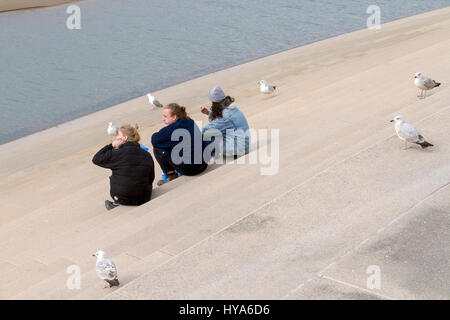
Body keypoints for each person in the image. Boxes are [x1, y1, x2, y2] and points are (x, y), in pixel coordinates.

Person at [92, 124, 155, 211]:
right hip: (143, 198)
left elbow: (96, 159)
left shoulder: (118, 153)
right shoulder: (147, 154)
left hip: (123, 198)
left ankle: (117, 201)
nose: (116, 138)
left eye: (118, 135)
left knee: (115, 175)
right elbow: (151, 178)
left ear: (124, 138)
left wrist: (111, 145)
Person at [151, 103, 208, 186]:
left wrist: (165, 130)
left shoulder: (173, 128)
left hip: (192, 170)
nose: (163, 119)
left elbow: (154, 140)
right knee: (172, 143)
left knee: (157, 148)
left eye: (165, 116)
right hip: (204, 164)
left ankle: (171, 176)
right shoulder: (190, 121)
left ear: (174, 117)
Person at [200, 86, 250, 158]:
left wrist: (192, 132)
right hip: (245, 143)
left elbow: (209, 128)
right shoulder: (231, 107)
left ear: (215, 102)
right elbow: (218, 123)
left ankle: (206, 157)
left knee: (208, 136)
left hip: (238, 149)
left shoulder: (225, 116)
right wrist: (208, 112)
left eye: (211, 101)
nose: (211, 103)